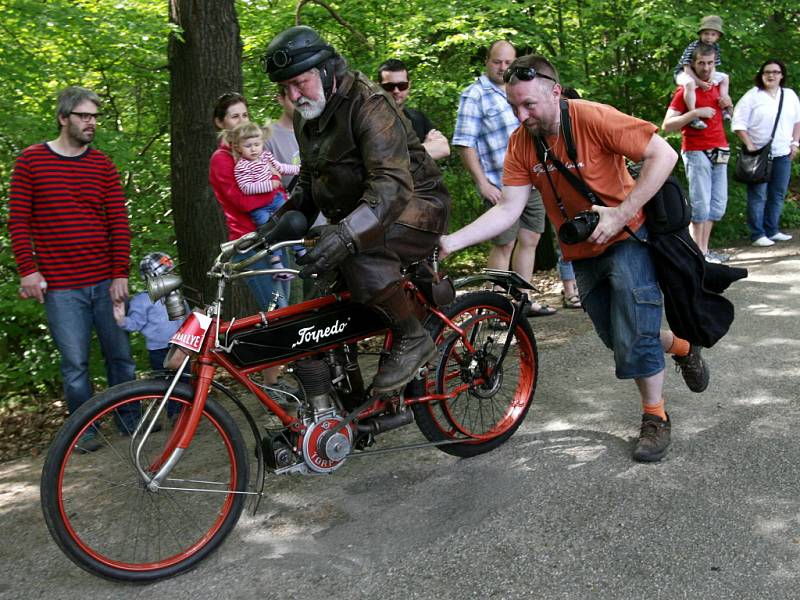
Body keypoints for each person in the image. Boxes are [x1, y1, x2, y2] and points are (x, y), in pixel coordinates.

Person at [440, 55, 711, 463]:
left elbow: (664, 156)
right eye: (514, 105)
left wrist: (620, 212)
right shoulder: (521, 143)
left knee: (634, 332)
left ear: (553, 90)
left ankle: (654, 417)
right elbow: (508, 208)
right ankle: (682, 347)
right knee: (619, 338)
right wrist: (450, 242)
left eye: (529, 104)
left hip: (626, 235)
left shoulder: (593, 117)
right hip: (580, 250)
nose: (521, 114)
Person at [262, 25, 450, 391]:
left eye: (299, 83)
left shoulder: (369, 105)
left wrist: (346, 235)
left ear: (328, 70)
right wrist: (274, 226)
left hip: (416, 206)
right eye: (285, 89)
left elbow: (391, 187)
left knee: (354, 247)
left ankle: (412, 337)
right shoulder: (309, 114)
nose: (293, 95)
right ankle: (341, 394)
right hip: (364, 213)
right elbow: (309, 181)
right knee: (316, 287)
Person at [9, 85, 137, 452]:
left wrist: (120, 274)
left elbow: (118, 223)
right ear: (63, 118)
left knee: (121, 357)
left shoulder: (102, 165)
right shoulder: (31, 161)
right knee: (76, 365)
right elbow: (18, 221)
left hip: (105, 280)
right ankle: (85, 432)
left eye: (94, 116)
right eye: (84, 116)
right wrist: (28, 270)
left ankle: (130, 422)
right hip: (61, 287)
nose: (91, 122)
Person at [452, 41, 555, 316]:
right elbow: (464, 142)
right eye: (497, 62)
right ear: (487, 61)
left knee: (530, 238)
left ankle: (521, 302)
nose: (502, 67)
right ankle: (494, 308)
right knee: (504, 243)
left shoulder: (522, 90)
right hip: (500, 185)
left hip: (533, 180)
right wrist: (482, 183)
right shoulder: (474, 95)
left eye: (508, 62)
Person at [209, 92, 290, 309]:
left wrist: (276, 184)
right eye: (235, 116)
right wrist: (272, 186)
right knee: (278, 310)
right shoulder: (221, 159)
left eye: (245, 115)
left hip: (274, 237)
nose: (242, 121)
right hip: (249, 245)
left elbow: (280, 179)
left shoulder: (256, 151)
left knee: (286, 310)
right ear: (220, 122)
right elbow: (243, 202)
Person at [662, 42, 731, 263]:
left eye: (710, 63)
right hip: (696, 150)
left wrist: (729, 105)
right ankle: (697, 253)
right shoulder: (684, 90)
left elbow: (730, 115)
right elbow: (667, 125)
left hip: (720, 148)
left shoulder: (719, 86)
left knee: (717, 204)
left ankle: (704, 249)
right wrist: (695, 114)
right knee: (700, 203)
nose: (706, 67)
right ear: (693, 64)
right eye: (701, 63)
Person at [731, 59, 800, 246]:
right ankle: (757, 234)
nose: (771, 75)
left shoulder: (790, 95)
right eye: (767, 72)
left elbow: (797, 122)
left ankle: (772, 229)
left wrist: (795, 144)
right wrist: (749, 144)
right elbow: (738, 123)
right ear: (761, 75)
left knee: (777, 193)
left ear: (782, 75)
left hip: (783, 153)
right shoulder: (752, 96)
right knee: (758, 195)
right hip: (759, 154)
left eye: (775, 72)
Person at [114, 252, 184, 419]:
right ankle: (174, 413)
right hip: (158, 350)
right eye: (164, 274)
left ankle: (183, 411)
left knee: (183, 380)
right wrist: (121, 320)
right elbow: (135, 323)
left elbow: (185, 317)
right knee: (167, 383)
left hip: (180, 345)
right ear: (151, 279)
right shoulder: (141, 301)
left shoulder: (176, 294)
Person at [376, 58, 450, 160]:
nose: (396, 91)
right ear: (379, 87)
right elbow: (382, 159)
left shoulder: (417, 117)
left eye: (402, 85)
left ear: (409, 85)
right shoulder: (369, 120)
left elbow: (443, 148)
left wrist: (403, 154)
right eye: (389, 86)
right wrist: (425, 149)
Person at [673, 15, 732, 129]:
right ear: (701, 34)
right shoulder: (694, 46)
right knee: (689, 84)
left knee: (724, 78)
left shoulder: (715, 47)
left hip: (703, 73)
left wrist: (711, 77)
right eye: (706, 33)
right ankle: (693, 115)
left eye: (713, 34)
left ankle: (724, 106)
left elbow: (713, 66)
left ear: (718, 36)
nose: (709, 37)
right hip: (684, 72)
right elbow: (686, 67)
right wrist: (699, 82)